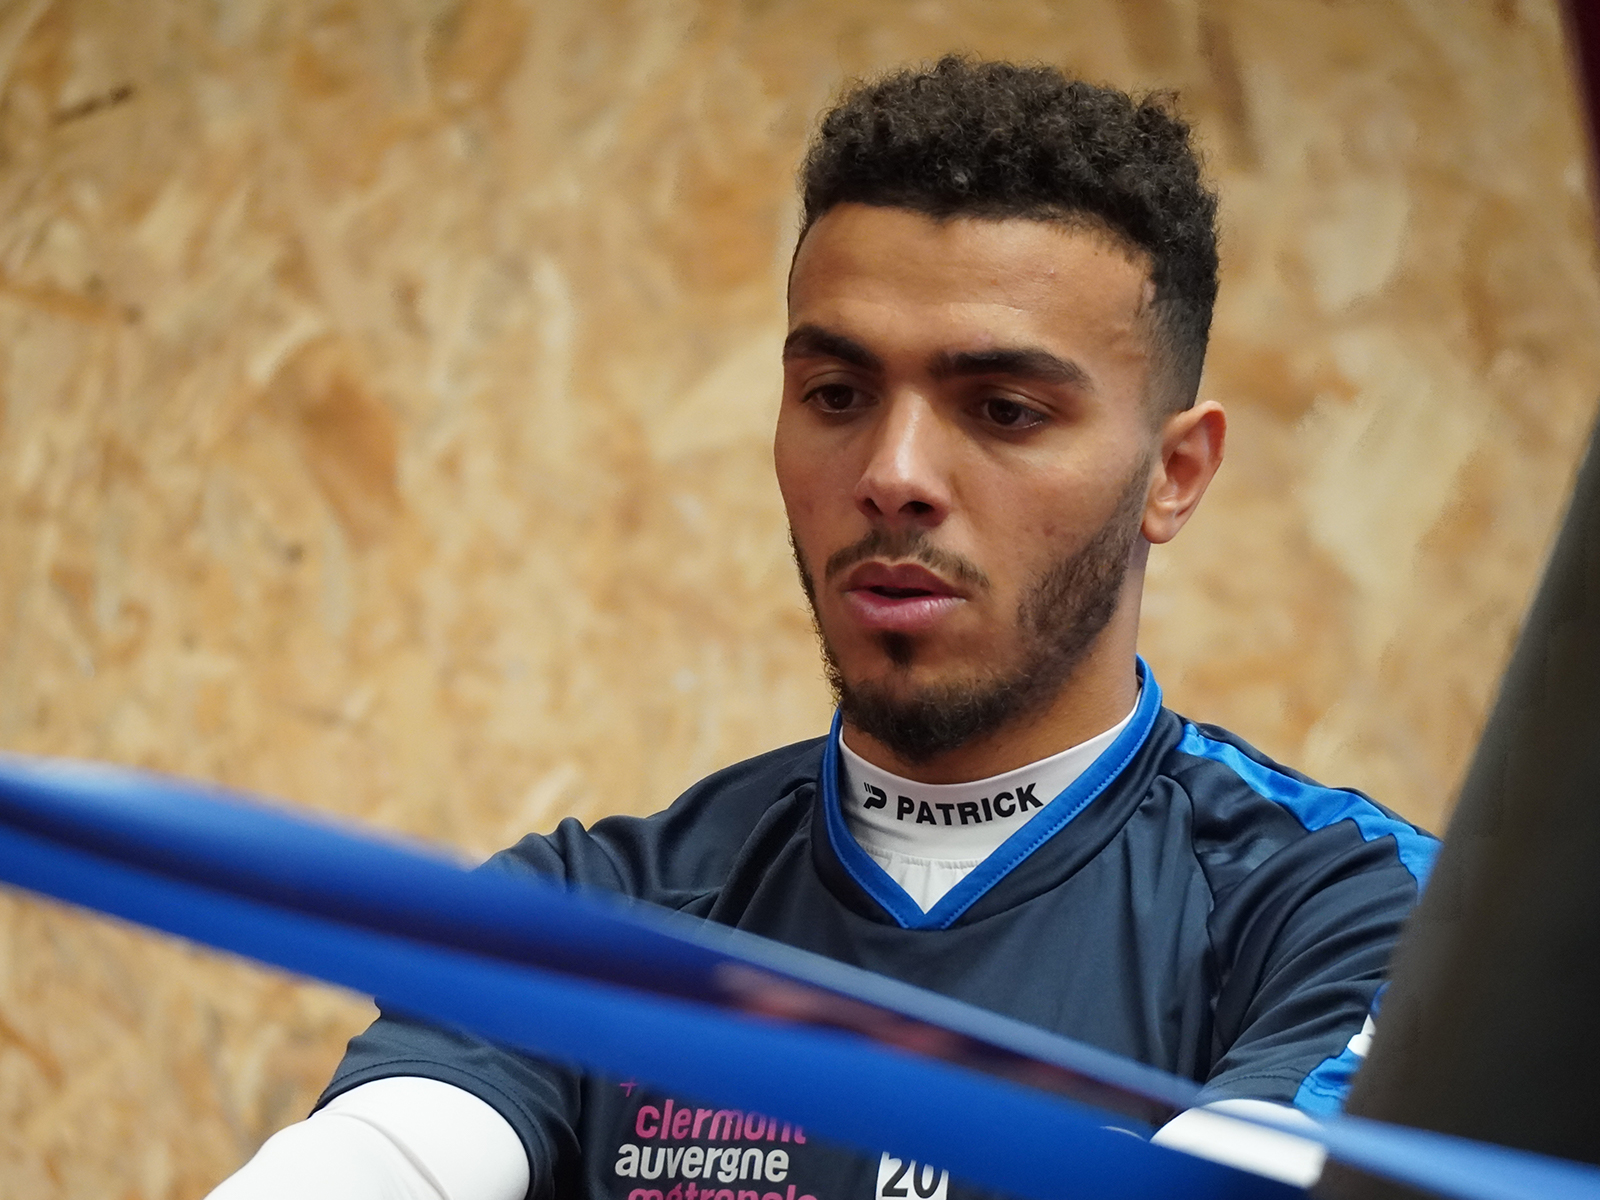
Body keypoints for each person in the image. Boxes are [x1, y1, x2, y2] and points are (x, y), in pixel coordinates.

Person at [210, 56, 1436, 1200]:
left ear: (1173, 475)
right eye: (837, 396)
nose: (893, 473)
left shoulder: (1358, 913)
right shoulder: (590, 916)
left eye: (1002, 409)